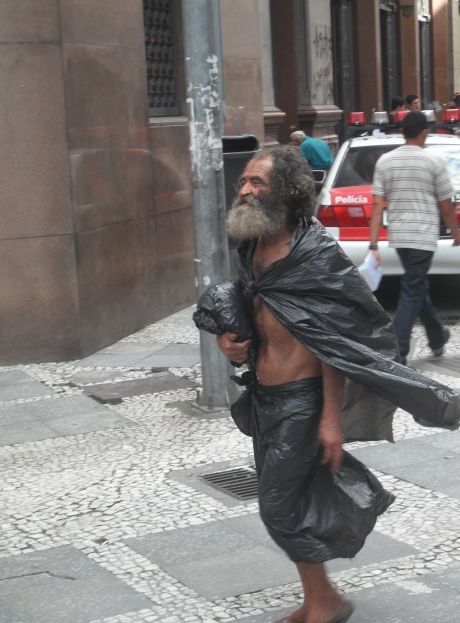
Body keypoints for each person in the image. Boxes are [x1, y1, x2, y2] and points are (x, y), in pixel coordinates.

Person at [194, 144, 460, 623]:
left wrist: (331, 418)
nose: (245, 190)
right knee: (294, 498)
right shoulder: (252, 246)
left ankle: (327, 600)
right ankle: (318, 598)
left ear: (286, 191)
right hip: (264, 396)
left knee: (277, 507)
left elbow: (335, 344)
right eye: (243, 181)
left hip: (303, 401)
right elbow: (258, 315)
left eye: (257, 182)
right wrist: (229, 343)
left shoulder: (316, 255)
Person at [369, 110, 460, 365]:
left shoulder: (385, 161)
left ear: (401, 132)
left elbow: (377, 205)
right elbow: (446, 206)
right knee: (413, 289)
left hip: (399, 237)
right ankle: (399, 347)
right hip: (423, 237)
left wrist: (373, 244)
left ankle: (437, 336)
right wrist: (455, 232)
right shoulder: (433, 161)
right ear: (425, 133)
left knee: (417, 286)